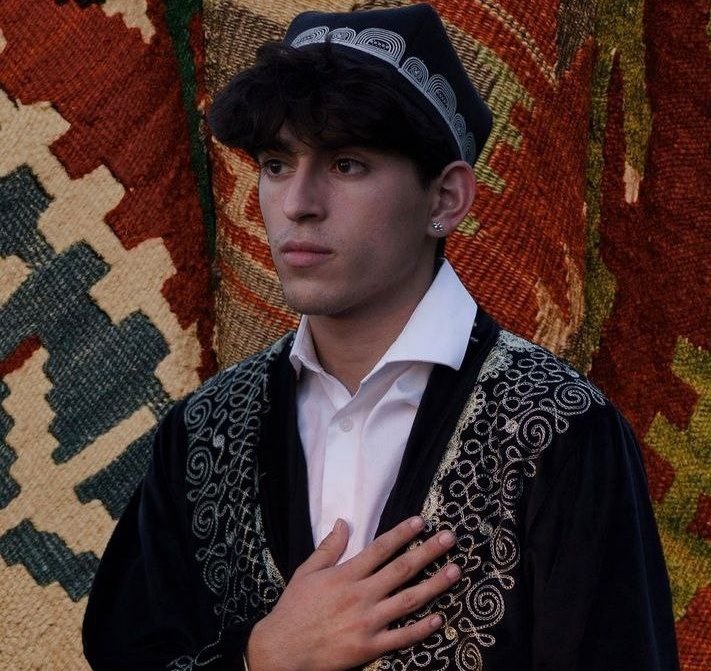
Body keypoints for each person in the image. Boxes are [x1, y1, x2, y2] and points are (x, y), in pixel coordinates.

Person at [82, 4, 679, 670]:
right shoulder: (203, 434)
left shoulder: (559, 431)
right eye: (276, 164)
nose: (298, 203)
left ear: (445, 199)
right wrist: (263, 658)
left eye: (347, 164)